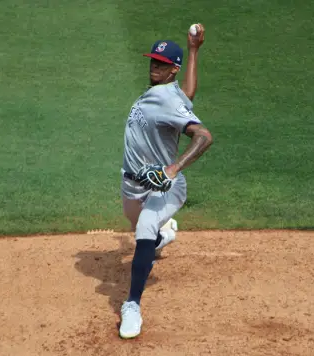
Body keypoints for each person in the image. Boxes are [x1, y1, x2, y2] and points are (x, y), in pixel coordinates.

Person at [118, 24, 213, 339]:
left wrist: (174, 168)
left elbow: (203, 135)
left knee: (144, 229)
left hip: (164, 187)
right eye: (152, 62)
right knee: (142, 228)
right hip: (131, 185)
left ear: (172, 70)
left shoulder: (165, 98)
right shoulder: (171, 94)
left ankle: (132, 305)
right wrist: (194, 51)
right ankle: (162, 236)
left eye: (161, 64)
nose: (154, 68)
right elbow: (187, 96)